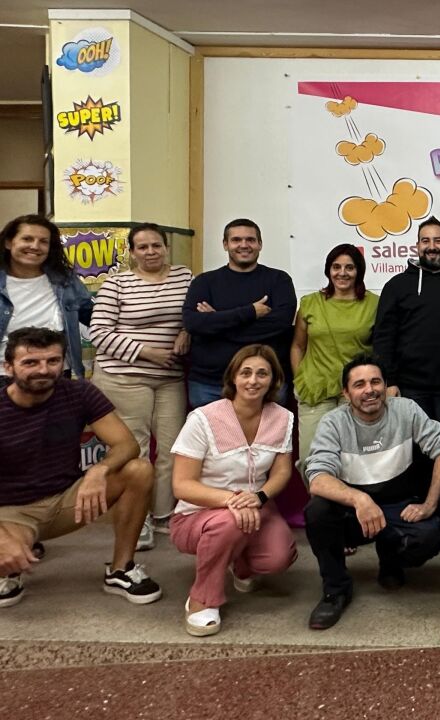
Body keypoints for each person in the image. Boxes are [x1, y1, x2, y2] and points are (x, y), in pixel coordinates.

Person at [0, 327, 161, 607]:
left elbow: (126, 445)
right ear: (8, 367)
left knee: (139, 470)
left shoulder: (79, 392)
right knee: (7, 554)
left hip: (67, 501)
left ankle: (120, 569)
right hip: (12, 512)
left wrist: (99, 470)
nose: (43, 370)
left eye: (53, 361)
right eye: (30, 362)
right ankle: (11, 565)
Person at [302, 354, 440, 629]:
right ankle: (335, 590)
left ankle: (390, 559)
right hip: (354, 512)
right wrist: (360, 499)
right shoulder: (333, 422)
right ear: (346, 393)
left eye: (375, 382)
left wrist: (430, 504)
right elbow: (318, 479)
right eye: (359, 384)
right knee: (317, 511)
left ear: (385, 385)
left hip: (398, 505)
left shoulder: (406, 409)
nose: (369, 390)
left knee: (433, 534)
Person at [169, 344, 297, 636]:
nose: (253, 380)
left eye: (262, 374)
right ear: (233, 378)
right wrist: (232, 501)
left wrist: (259, 497)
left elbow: (281, 472)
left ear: (274, 381)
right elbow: (182, 485)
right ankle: (203, 598)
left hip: (255, 508)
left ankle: (239, 563)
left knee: (277, 557)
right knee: (229, 522)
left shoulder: (283, 418)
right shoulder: (203, 418)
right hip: (198, 516)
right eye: (246, 372)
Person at [89, 223, 192, 549]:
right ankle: (139, 517)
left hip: (170, 378)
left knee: (174, 450)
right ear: (132, 252)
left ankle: (163, 515)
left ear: (166, 247)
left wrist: (187, 331)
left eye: (156, 245)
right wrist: (146, 352)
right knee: (135, 451)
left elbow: (196, 314)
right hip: (123, 376)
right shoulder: (116, 284)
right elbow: (99, 333)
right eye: (143, 247)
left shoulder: (185, 278)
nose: (151, 252)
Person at [373, 216, 440, 430]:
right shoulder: (396, 286)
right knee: (414, 449)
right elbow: (383, 337)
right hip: (410, 390)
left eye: (438, 241)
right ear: (417, 246)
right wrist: (390, 382)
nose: (432, 247)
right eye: (426, 241)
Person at [183, 218, 297, 408]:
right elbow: (193, 323)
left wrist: (217, 321)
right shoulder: (204, 282)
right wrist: (250, 312)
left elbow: (280, 325)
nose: (244, 245)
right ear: (225, 244)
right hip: (210, 384)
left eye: (250, 240)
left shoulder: (279, 280)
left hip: (265, 385)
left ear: (260, 244)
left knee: (268, 430)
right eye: (236, 240)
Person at [291, 243, 379, 463]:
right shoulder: (310, 303)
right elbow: (298, 346)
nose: (342, 273)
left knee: (355, 460)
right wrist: (300, 377)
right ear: (328, 270)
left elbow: (381, 348)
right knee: (311, 459)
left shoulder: (374, 304)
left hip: (357, 392)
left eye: (349, 267)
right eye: (336, 267)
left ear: (359, 271)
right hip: (315, 389)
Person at [0, 215, 94, 378]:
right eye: (27, 239)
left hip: (56, 372)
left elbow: (95, 317)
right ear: (9, 243)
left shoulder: (65, 280)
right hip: (5, 375)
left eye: (43, 241)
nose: (35, 246)